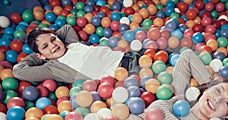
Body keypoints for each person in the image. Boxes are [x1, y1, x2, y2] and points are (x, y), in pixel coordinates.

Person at [13, 24, 141, 83]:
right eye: (45, 46)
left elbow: (66, 28)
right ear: (40, 55)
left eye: (53, 39)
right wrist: (41, 56)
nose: (53, 45)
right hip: (119, 78)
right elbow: (18, 71)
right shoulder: (52, 68)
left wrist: (53, 39)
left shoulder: (71, 43)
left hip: (128, 57)